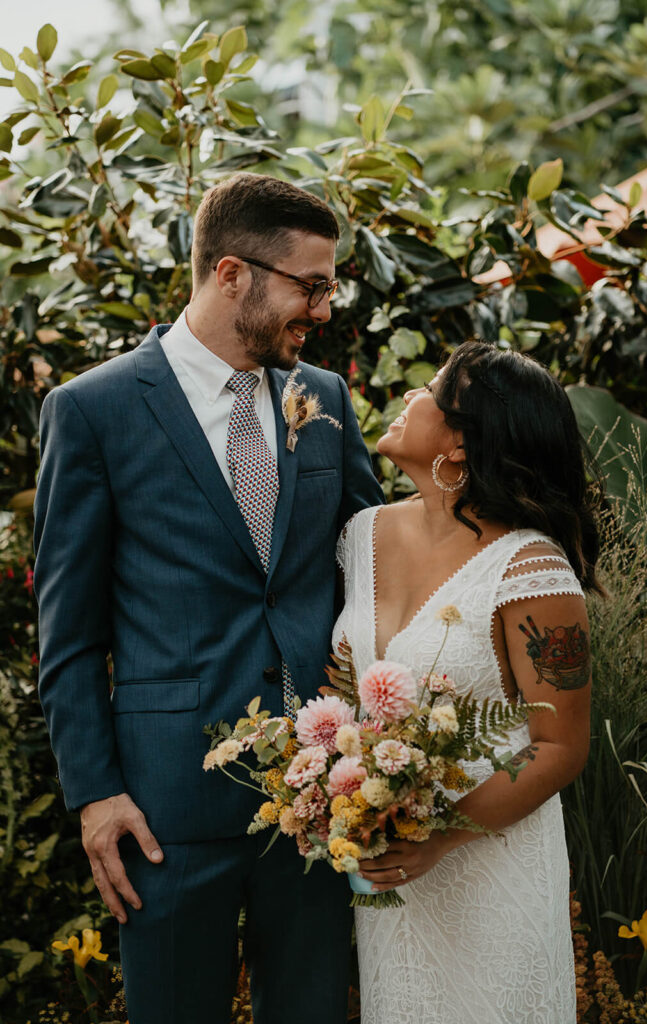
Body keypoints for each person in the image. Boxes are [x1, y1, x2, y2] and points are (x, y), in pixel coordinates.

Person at [33, 172, 383, 1024]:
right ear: (232, 274)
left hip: (317, 799)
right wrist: (94, 794)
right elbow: (68, 632)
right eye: (310, 285)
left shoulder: (325, 400)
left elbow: (377, 556)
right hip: (163, 805)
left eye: (328, 287)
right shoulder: (93, 410)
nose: (325, 308)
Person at [333, 340, 602, 1024]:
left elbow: (559, 745)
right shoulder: (360, 534)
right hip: (392, 870)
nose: (406, 396)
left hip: (489, 863)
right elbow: (343, 689)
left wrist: (440, 834)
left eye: (427, 389)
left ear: (458, 440)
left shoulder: (528, 566)